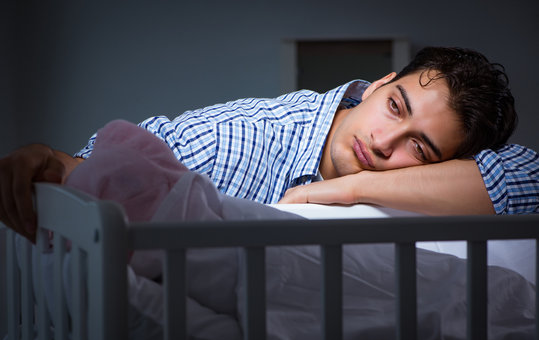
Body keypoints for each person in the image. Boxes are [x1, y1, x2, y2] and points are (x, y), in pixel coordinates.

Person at [0, 47, 537, 242]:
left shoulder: (443, 188)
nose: (384, 141)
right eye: (395, 106)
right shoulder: (235, 140)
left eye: (419, 149)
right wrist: (53, 161)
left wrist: (334, 193)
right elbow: (104, 170)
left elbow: (529, 178)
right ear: (377, 84)